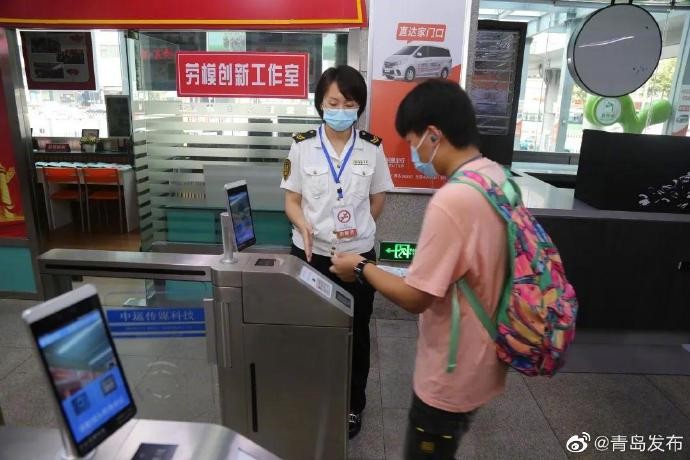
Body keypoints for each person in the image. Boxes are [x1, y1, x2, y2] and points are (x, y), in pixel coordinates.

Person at [329, 79, 509, 458]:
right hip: (486, 352)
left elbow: (416, 298)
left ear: (433, 135)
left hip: (451, 368)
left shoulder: (453, 200)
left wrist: (361, 267)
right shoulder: (495, 176)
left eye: (413, 142)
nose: (414, 152)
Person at [280, 65, 394, 439]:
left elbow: (377, 199)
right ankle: (313, 398)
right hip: (311, 255)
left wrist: (357, 233)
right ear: (320, 104)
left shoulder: (372, 148)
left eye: (349, 103)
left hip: (358, 258)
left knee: (356, 332)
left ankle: (352, 404)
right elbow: (291, 200)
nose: (341, 110)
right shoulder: (301, 146)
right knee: (310, 331)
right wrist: (303, 225)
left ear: (359, 106)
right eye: (333, 102)